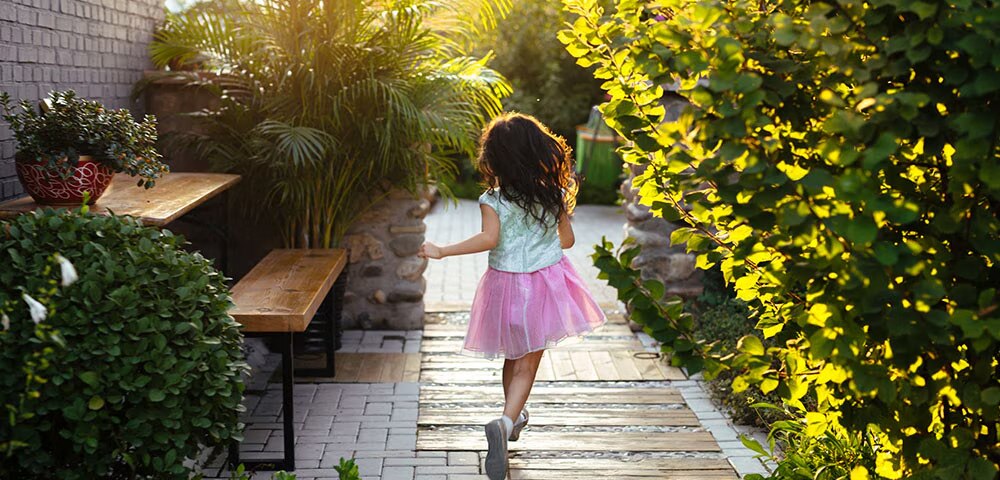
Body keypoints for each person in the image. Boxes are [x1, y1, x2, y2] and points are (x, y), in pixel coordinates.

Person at [419, 112, 607, 480]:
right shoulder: (550, 194)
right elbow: (567, 242)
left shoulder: (492, 199)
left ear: (496, 159)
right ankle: (505, 423)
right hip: (543, 287)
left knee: (513, 356)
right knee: (528, 364)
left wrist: (441, 250)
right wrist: (547, 229)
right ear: (536, 150)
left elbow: (489, 240)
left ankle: (515, 415)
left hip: (504, 288)